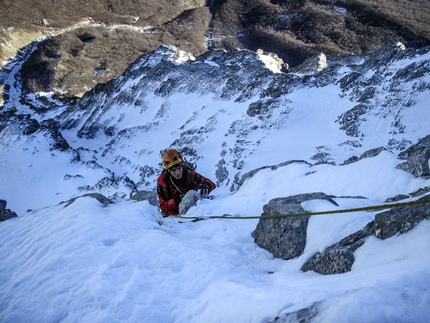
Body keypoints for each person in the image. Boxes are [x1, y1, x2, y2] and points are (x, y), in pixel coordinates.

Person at [157, 149, 216, 216]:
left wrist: (205, 185)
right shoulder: (162, 182)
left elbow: (210, 183)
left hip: (193, 210)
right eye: (173, 170)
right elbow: (163, 207)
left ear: (182, 166)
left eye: (179, 168)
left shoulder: (189, 173)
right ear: (168, 171)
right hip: (173, 216)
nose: (178, 173)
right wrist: (176, 200)